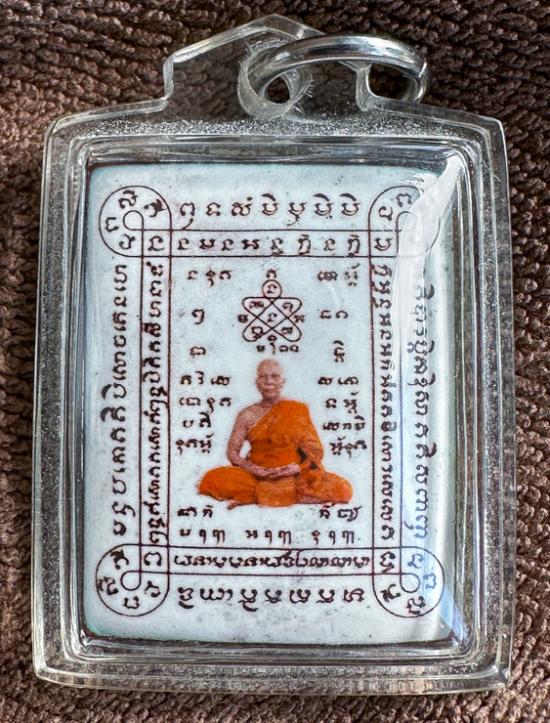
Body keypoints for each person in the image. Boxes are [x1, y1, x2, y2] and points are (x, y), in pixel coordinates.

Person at [198, 359, 353, 508]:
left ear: (283, 381)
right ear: (257, 382)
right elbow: (232, 452)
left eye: (275, 376)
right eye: (263, 377)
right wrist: (254, 469)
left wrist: (297, 468)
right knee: (212, 479)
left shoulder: (297, 409)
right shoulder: (247, 414)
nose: (269, 382)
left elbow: (315, 451)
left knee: (342, 488)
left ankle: (258, 495)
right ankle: (284, 495)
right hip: (257, 476)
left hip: (293, 475)